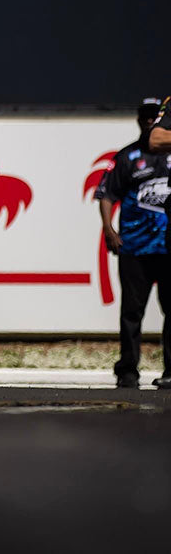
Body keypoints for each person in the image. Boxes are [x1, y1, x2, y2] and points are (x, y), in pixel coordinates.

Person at [102, 99, 171, 389]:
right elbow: (107, 194)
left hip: (168, 248)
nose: (148, 122)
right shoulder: (128, 156)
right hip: (135, 247)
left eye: (153, 117)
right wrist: (109, 228)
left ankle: (170, 371)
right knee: (132, 312)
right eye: (143, 117)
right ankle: (127, 370)